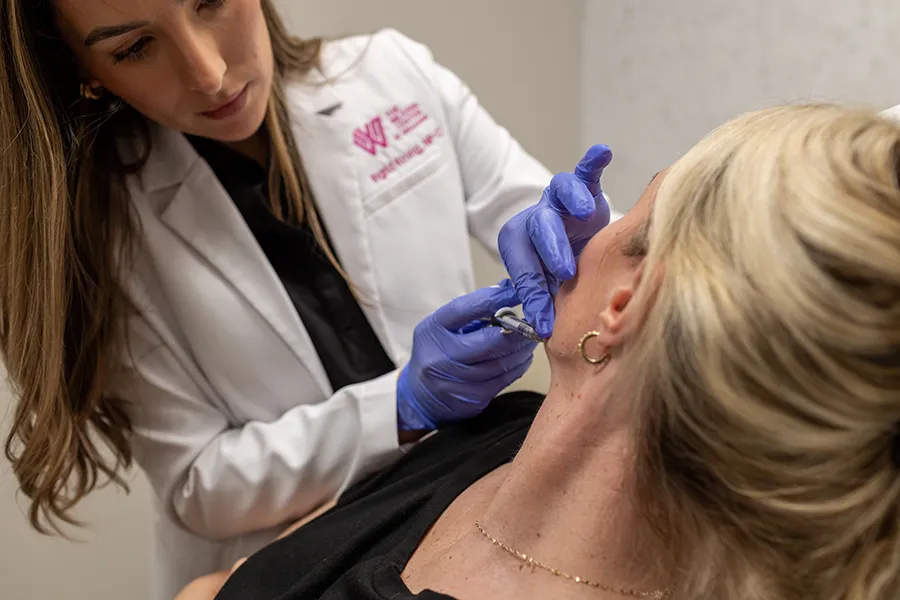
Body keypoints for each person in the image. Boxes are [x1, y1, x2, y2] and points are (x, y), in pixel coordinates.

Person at [0, 1, 618, 597]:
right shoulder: (100, 229)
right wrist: (402, 406)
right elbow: (198, 483)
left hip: (453, 511)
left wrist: (587, 249)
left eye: (210, 1)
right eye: (135, 47)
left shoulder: (391, 73)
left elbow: (568, 240)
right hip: (285, 566)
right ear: (85, 68)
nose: (208, 73)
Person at [182, 103, 900, 600]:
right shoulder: (492, 432)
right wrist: (406, 404)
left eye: (634, 210)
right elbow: (219, 586)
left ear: (622, 306)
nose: (589, 234)